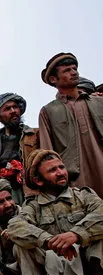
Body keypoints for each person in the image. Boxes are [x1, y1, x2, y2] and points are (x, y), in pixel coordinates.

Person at [7, 150, 103, 275]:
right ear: (38, 180)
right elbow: (15, 226)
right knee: (20, 246)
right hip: (53, 270)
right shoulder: (33, 206)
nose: (60, 173)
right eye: (52, 170)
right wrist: (47, 240)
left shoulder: (83, 196)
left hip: (85, 265)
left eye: (61, 167)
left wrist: (76, 234)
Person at [39, 52, 103, 198]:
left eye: (74, 69)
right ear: (54, 79)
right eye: (67, 70)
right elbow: (47, 151)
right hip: (75, 180)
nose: (74, 72)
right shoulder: (49, 111)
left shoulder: (99, 102)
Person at [0, 93, 40, 205]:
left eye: (15, 107)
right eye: (7, 109)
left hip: (31, 193)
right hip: (2, 197)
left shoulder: (35, 134)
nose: (13, 111)